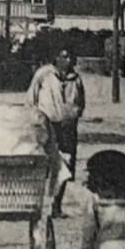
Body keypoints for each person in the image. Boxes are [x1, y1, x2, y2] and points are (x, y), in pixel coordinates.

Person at [27, 49, 86, 214]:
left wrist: (74, 114)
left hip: (68, 127)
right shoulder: (44, 74)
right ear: (57, 58)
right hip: (48, 126)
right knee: (42, 164)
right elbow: (31, 99)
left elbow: (81, 102)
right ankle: (34, 204)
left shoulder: (76, 79)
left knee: (65, 165)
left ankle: (57, 205)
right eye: (65, 56)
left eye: (70, 56)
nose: (69, 60)